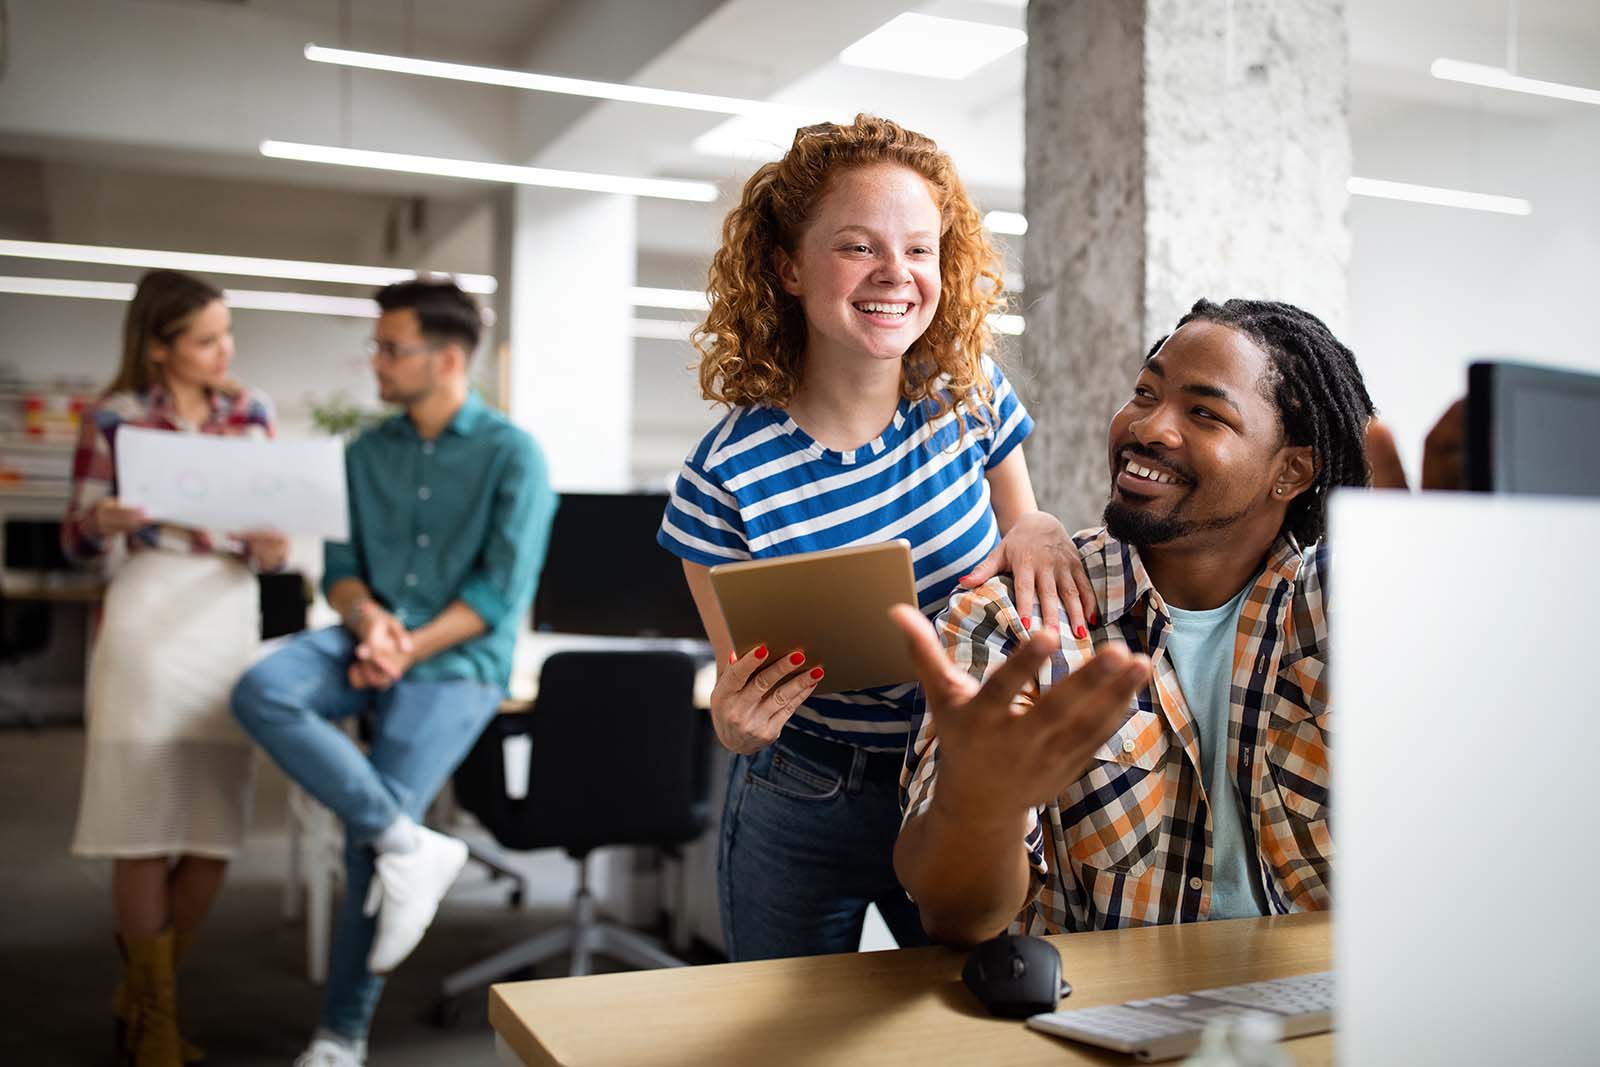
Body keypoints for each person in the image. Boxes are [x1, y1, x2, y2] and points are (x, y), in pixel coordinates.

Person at [657, 114, 1099, 962]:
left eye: (920, 248)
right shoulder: (723, 474)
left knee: (971, 1007)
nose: (896, 272)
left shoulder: (968, 396)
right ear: (788, 268)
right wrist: (737, 723)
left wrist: (1041, 527)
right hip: (802, 787)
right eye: (858, 246)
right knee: (780, 1023)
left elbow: (1022, 535)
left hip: (952, 776)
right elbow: (735, 684)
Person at [893, 298, 1376, 945]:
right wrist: (980, 806)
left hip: (1321, 997)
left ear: (1290, 471)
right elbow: (955, 917)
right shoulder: (1012, 620)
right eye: (1145, 392)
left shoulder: (1353, 612)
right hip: (1108, 1000)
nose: (1149, 426)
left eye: (1204, 412)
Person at [230, 280, 556, 1067]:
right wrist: (371, 621)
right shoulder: (365, 453)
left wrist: (407, 645)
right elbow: (341, 571)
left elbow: (498, 593)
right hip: (366, 636)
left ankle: (340, 1034)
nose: (374, 361)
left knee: (363, 842)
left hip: (458, 659)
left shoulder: (513, 454)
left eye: (390, 348)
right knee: (262, 688)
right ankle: (407, 839)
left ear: (446, 359)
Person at [64, 269, 288, 1066]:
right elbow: (74, 538)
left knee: (211, 830)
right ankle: (156, 1023)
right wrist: (102, 517)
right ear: (160, 348)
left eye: (227, 333)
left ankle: (138, 998)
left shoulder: (252, 413)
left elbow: (273, 538)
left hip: (225, 612)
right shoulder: (116, 417)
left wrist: (273, 544)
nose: (225, 350)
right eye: (206, 338)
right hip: (146, 614)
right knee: (141, 823)